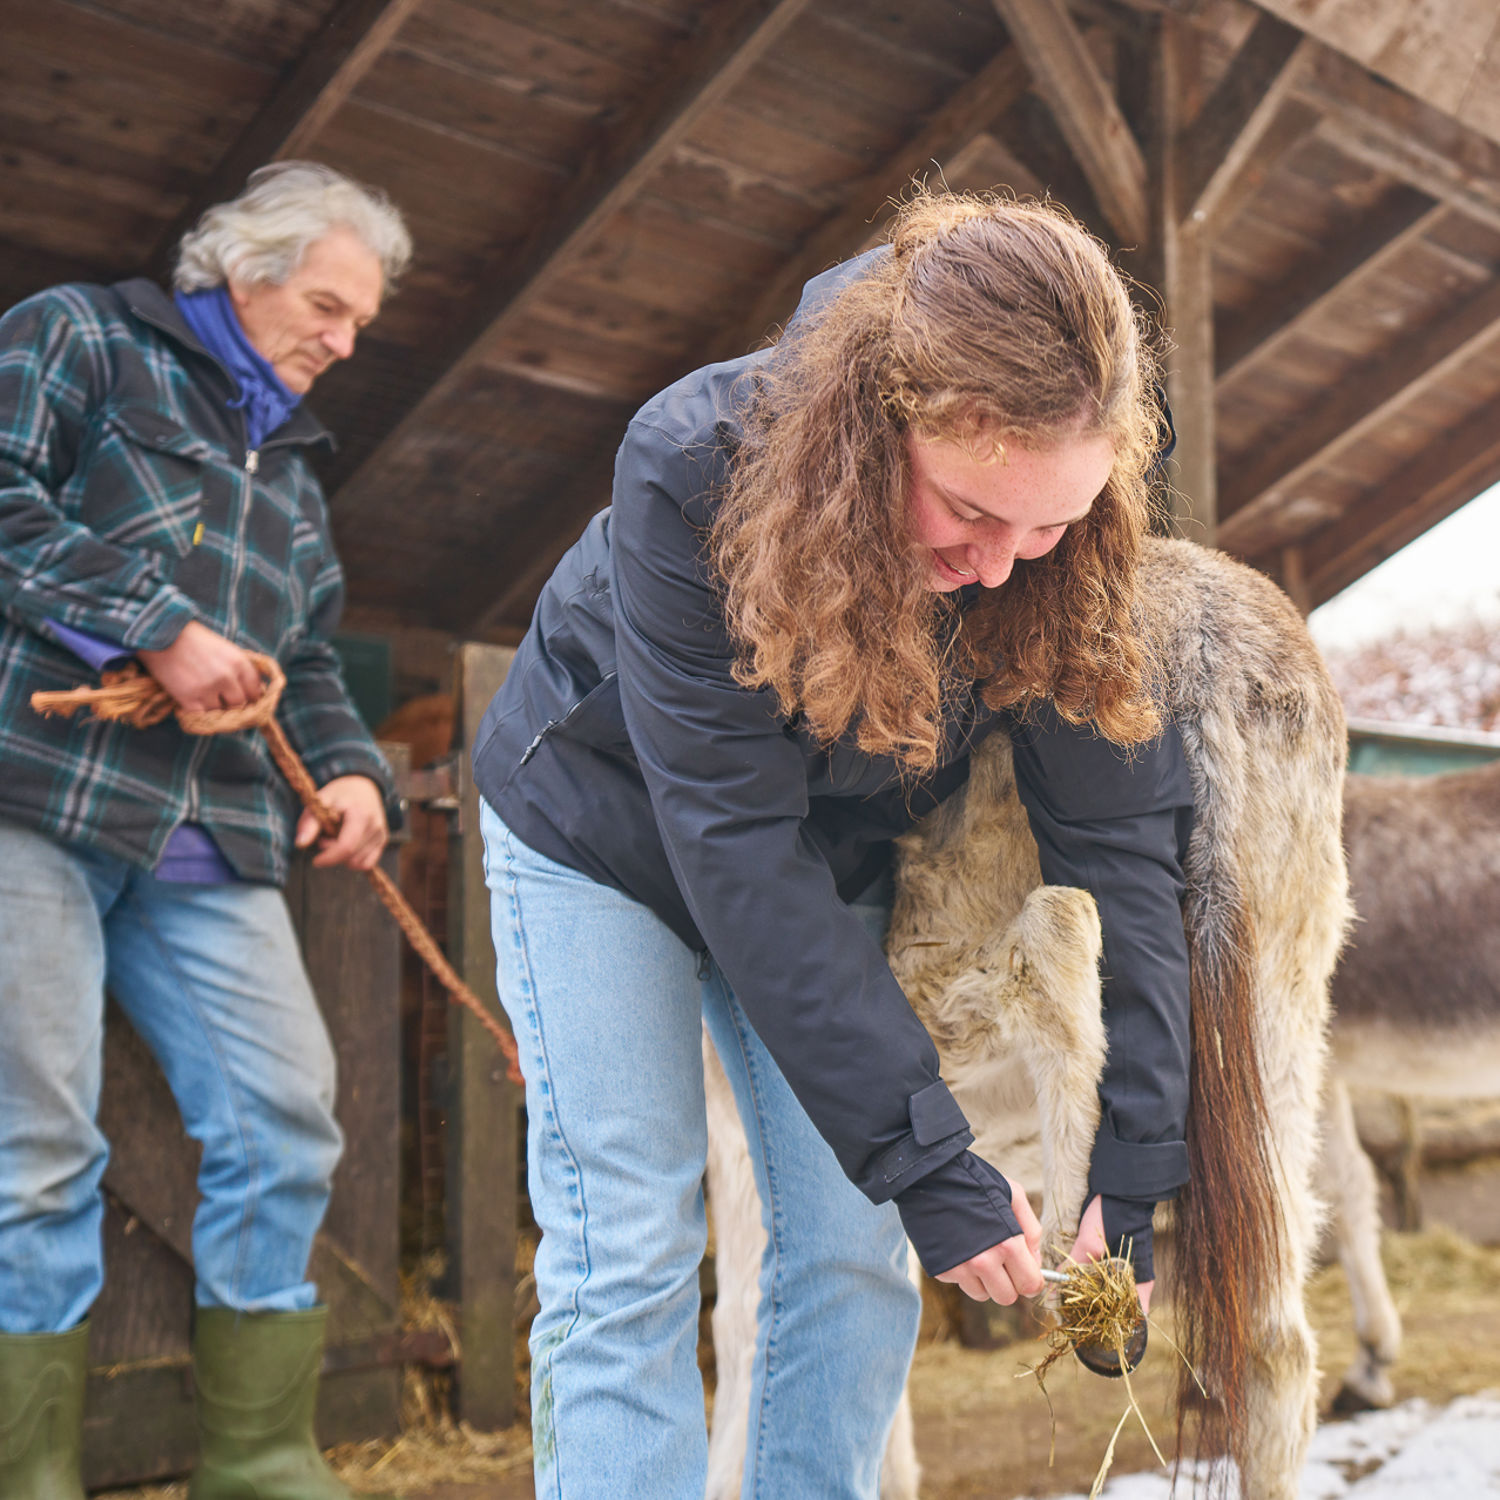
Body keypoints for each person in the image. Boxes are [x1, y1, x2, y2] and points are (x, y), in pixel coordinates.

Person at [472, 191, 1195, 1499]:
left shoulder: (1043, 557)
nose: (1000, 567)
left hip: (817, 850)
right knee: (630, 1246)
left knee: (854, 1253)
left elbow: (1123, 836)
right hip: (603, 826)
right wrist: (928, 1153)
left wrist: (1137, 1157)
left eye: (1050, 527)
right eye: (974, 516)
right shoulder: (692, 463)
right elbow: (729, 838)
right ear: (882, 426)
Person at [0, 162, 411, 1499]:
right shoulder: (77, 337)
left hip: (210, 839)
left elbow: (311, 660)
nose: (347, 345)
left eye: (361, 324)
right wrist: (158, 628)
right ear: (247, 272)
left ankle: (258, 1458)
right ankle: (35, 1471)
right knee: (39, 1147)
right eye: (332, 307)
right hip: (35, 800)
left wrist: (356, 782)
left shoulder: (292, 471)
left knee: (287, 1117)